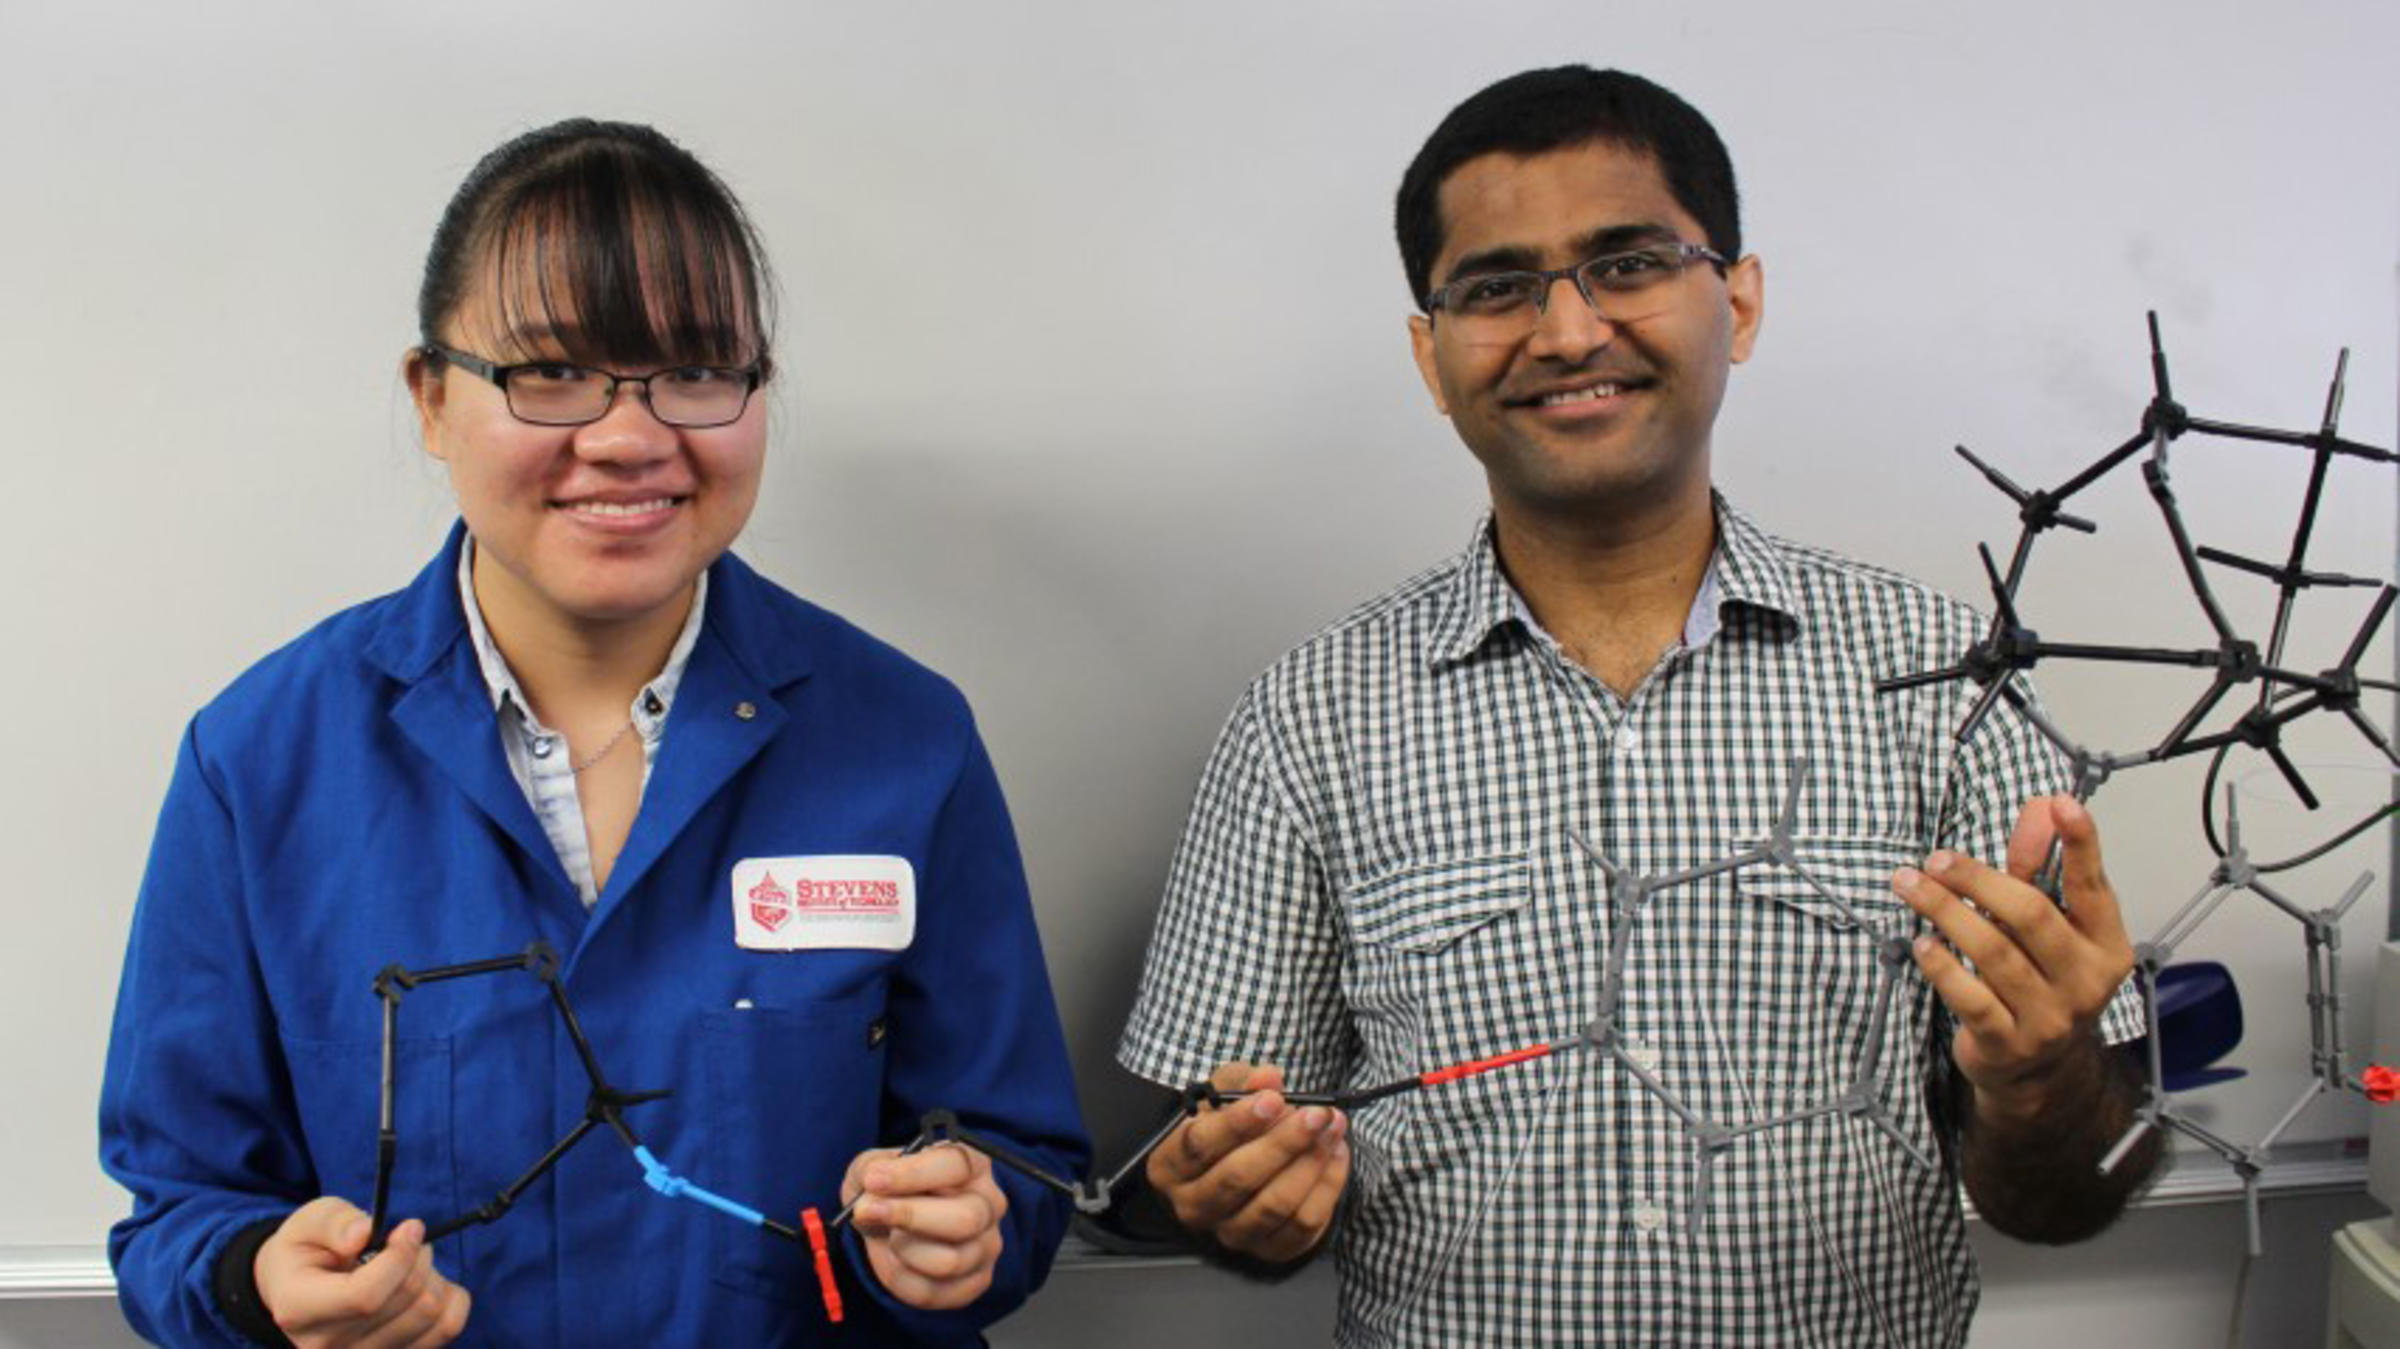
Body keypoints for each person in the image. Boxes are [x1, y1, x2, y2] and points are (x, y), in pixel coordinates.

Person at [1117, 67, 2157, 1345]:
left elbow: (2069, 1193)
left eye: (1627, 263)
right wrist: (1231, 1200)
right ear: (1429, 355)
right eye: (1496, 287)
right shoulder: (1308, 717)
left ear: (1741, 298)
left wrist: (2049, 1081)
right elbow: (1209, 1164)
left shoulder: (1945, 678)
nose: (1565, 332)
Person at [100, 119, 1087, 1347]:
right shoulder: (261, 759)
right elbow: (178, 1210)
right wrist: (257, 1277)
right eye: (552, 372)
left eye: (696, 369)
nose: (629, 435)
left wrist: (969, 1230)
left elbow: (1024, 1159)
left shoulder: (905, 739)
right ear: (431, 399)